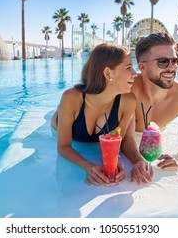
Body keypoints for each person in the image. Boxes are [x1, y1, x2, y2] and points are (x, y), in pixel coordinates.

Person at [51, 43, 153, 186]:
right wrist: (88, 166)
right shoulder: (71, 98)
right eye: (128, 68)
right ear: (108, 73)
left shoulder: (129, 101)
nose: (135, 73)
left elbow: (123, 140)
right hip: (59, 121)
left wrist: (138, 161)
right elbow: (63, 146)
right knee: (59, 110)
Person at [131, 32, 178, 171]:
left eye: (175, 61)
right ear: (142, 67)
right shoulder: (126, 89)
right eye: (163, 62)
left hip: (153, 148)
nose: (171, 67)